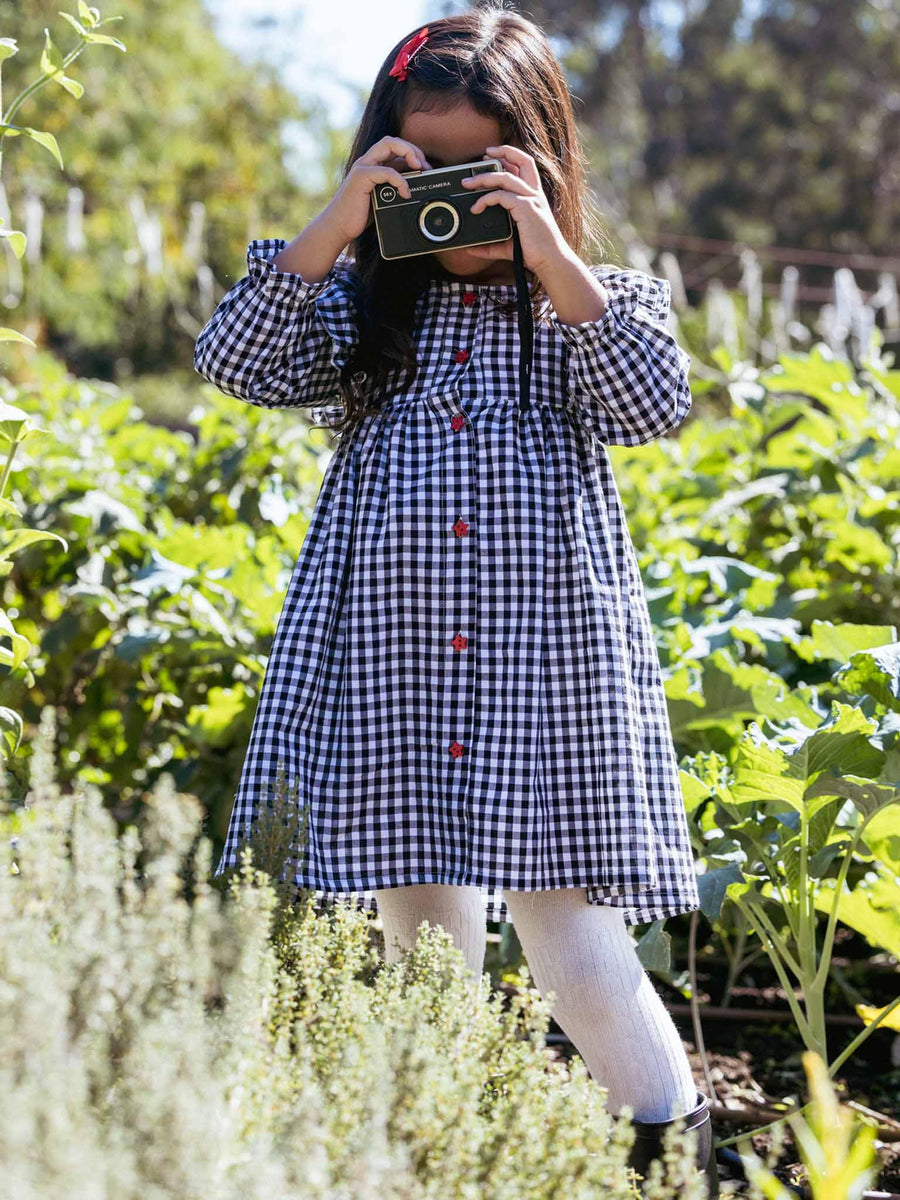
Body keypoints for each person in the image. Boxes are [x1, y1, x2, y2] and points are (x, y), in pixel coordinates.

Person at [193, 6, 717, 1194]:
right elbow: (233, 363)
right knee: (420, 935)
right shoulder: (364, 311)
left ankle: (673, 1153)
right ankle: (446, 1158)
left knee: (570, 934)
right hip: (389, 657)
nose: (451, 203)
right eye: (419, 172)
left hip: (543, 665)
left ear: (539, 162)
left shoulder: (586, 303)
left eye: (480, 174)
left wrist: (547, 250)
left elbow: (651, 403)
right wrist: (340, 217)